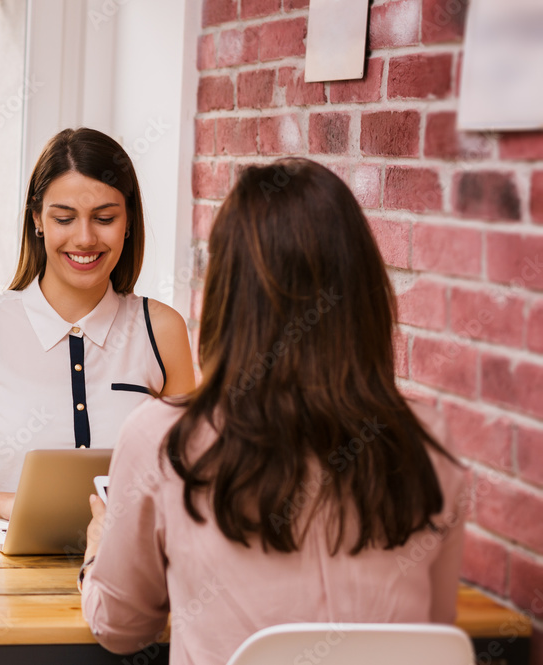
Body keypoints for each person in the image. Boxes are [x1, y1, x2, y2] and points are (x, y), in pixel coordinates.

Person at [79, 158, 467, 664]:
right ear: (363, 290)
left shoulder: (163, 439)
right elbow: (431, 634)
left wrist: (98, 547)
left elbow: (122, 627)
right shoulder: (429, 443)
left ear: (226, 293)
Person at [0, 128, 197, 528]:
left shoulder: (162, 329)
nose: (84, 238)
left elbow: (188, 481)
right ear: (38, 220)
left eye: (105, 218)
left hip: (124, 579)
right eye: (64, 218)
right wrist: (4, 506)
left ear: (128, 222)